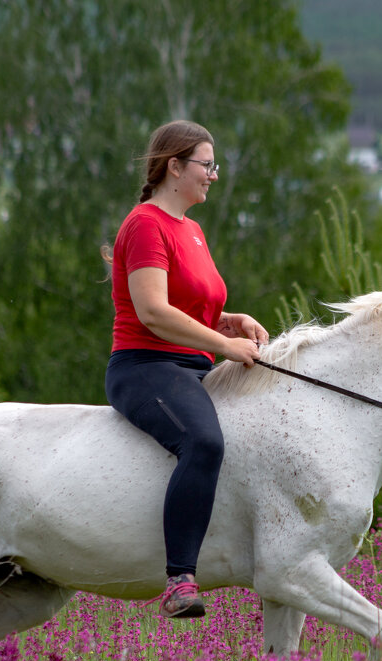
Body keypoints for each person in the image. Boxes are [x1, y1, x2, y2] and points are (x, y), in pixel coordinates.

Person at [105, 120, 269, 619]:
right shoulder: (145, 224)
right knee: (204, 442)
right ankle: (178, 579)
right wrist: (222, 343)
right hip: (146, 367)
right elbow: (153, 311)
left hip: (191, 366)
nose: (214, 175)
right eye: (207, 164)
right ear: (174, 167)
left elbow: (188, 305)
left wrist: (229, 320)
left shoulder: (191, 230)